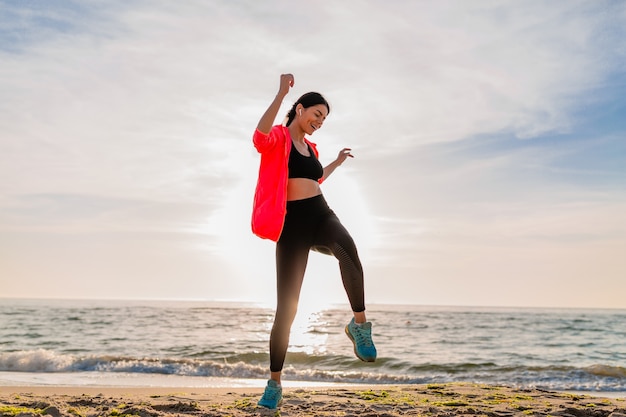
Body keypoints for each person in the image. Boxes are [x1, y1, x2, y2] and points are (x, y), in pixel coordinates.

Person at [251, 74, 377, 409]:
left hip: (320, 214)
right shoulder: (279, 137)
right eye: (316, 114)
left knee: (348, 251)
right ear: (300, 109)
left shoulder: (311, 148)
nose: (319, 122)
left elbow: (314, 177)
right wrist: (280, 94)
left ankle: (359, 325)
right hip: (291, 226)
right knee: (286, 311)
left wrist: (333, 162)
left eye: (324, 118)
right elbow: (259, 136)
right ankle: (274, 384)